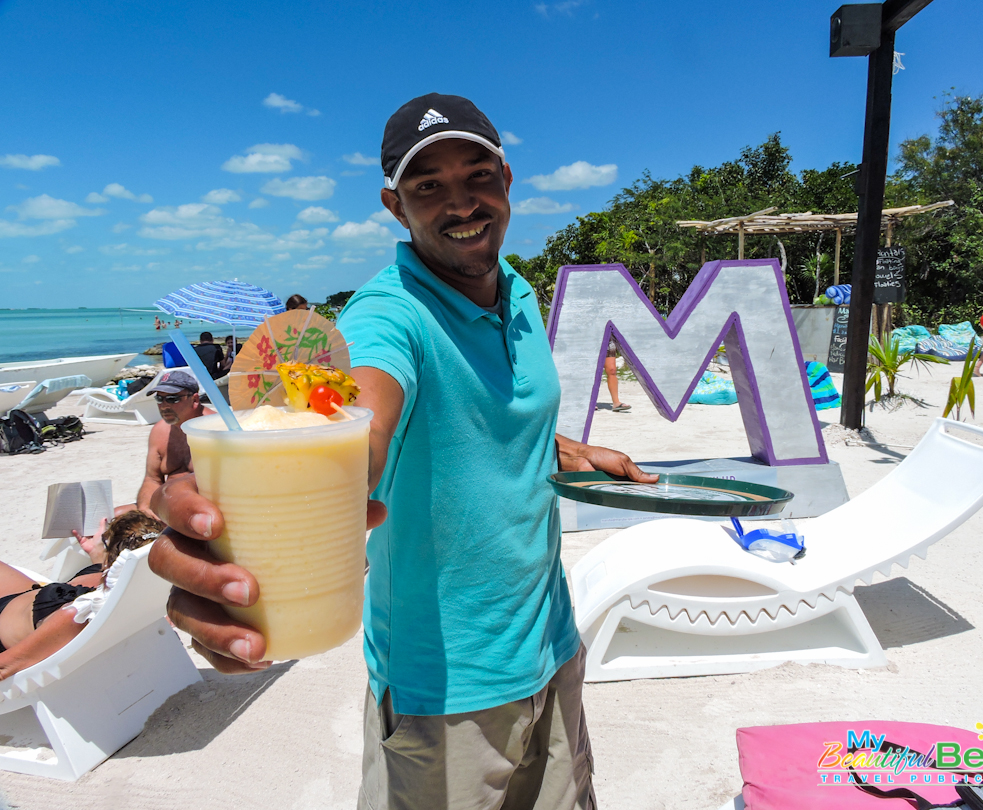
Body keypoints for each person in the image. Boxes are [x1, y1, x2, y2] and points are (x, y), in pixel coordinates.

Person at [148, 92, 658, 810]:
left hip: (551, 644)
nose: (461, 203)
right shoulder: (388, 314)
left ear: (507, 183)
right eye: (428, 186)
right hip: (444, 691)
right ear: (395, 206)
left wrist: (565, 449)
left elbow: (484, 416)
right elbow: (365, 420)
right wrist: (278, 511)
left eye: (476, 175)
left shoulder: (516, 293)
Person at [0, 511, 164, 680]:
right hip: (26, 601)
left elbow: (5, 667)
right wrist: (97, 554)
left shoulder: (78, 615)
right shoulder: (141, 592)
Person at [116, 371, 211, 519]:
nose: (164, 406)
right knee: (112, 516)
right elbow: (152, 479)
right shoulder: (160, 431)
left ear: (195, 399)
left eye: (172, 399)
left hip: (200, 510)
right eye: (159, 399)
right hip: (163, 504)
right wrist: (146, 509)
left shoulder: (216, 429)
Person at [604, 336, 630, 412]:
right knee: (593, 371)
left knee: (612, 370)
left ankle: (616, 403)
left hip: (608, 338)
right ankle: (590, 403)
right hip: (592, 336)